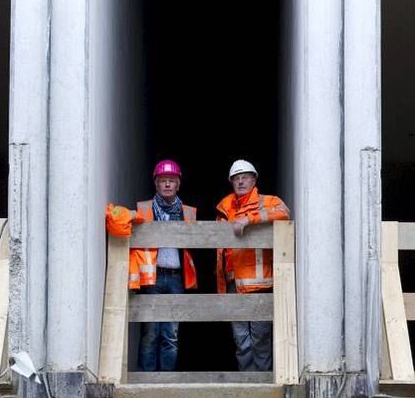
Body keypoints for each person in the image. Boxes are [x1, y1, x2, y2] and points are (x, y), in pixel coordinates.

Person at [105, 159, 198, 371]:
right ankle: (147, 378)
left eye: (171, 181)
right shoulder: (143, 209)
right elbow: (121, 219)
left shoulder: (188, 212)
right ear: (156, 184)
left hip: (176, 278)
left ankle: (165, 380)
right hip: (152, 277)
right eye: (163, 180)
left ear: (178, 184)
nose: (167, 184)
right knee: (151, 332)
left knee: (171, 333)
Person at [216, 159, 290, 371]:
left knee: (260, 341)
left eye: (244, 177)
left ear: (254, 179)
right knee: (241, 341)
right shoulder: (225, 207)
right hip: (233, 284)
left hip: (259, 285)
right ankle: (247, 382)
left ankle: (262, 384)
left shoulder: (267, 202)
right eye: (236, 179)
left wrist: (250, 219)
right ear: (231, 182)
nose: (240, 182)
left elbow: (284, 213)